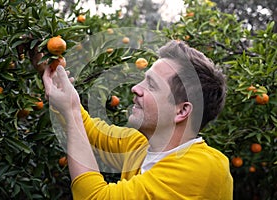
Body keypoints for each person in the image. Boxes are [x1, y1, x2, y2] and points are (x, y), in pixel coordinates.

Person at [42, 40, 233, 199]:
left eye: (151, 85)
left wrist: (70, 110)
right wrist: (52, 72)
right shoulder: (140, 144)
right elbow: (92, 131)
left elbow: (95, 197)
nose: (135, 88)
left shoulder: (202, 168)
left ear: (181, 111)